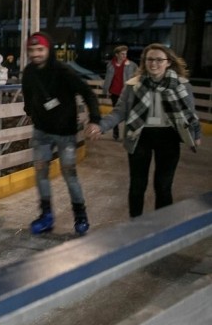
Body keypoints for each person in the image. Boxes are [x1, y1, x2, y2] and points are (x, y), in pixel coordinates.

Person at [86, 44, 201, 218]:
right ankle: (136, 225)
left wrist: (196, 135)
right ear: (144, 62)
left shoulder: (181, 85)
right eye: (150, 59)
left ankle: (162, 227)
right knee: (137, 185)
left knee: (163, 186)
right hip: (140, 136)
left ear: (168, 62)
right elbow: (119, 112)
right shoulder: (134, 85)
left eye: (158, 60)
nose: (154, 63)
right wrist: (101, 126)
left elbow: (190, 114)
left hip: (168, 137)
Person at [22, 32, 102, 236]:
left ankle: (80, 216)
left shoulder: (63, 71)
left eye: (40, 49)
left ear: (48, 50)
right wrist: (32, 112)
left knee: (69, 174)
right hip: (41, 132)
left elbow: (87, 93)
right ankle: (46, 216)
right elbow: (27, 95)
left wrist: (94, 119)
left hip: (65, 134)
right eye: (32, 50)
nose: (36, 54)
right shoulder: (29, 72)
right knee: (41, 174)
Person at [102, 45, 138, 140]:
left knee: (130, 113)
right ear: (117, 54)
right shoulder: (110, 65)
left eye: (125, 54)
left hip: (127, 92)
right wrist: (105, 90)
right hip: (114, 92)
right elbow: (107, 78)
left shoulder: (132, 65)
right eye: (122, 54)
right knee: (116, 112)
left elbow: (137, 76)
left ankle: (129, 133)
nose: (124, 56)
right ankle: (115, 132)